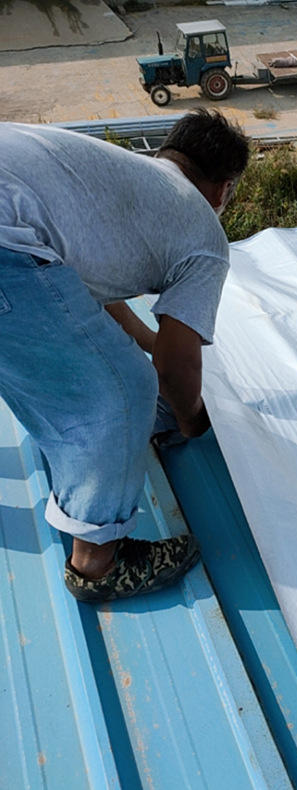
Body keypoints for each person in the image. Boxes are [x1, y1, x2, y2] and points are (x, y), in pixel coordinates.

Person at [0, 109, 249, 602]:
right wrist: (192, 422)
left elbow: (80, 291)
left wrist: (145, 340)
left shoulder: (123, 176)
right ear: (223, 190)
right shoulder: (203, 231)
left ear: (168, 153)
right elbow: (176, 370)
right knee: (123, 393)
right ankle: (97, 562)